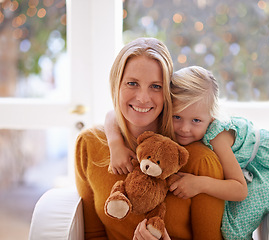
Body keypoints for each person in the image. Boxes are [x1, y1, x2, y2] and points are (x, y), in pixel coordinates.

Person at [106, 65, 269, 239]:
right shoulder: (166, 118)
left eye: (196, 121)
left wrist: (199, 184)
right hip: (256, 162)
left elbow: (239, 190)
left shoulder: (216, 136)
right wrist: (115, 144)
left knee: (232, 228)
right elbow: (112, 113)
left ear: (211, 118)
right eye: (177, 118)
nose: (185, 129)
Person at [75, 38, 224, 240]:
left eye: (155, 86)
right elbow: (92, 235)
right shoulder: (89, 145)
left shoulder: (197, 160)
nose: (143, 98)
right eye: (132, 83)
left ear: (168, 93)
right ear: (116, 85)